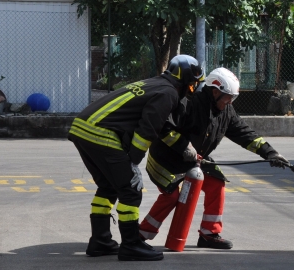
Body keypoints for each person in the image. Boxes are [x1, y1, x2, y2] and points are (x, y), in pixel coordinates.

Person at [68, 55, 204, 261]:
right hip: (102, 133)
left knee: (109, 186)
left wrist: (185, 147)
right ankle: (131, 245)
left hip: (83, 128)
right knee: (131, 189)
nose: (192, 89)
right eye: (192, 85)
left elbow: (161, 126)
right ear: (184, 80)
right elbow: (147, 130)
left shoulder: (156, 84)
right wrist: (133, 162)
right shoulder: (168, 93)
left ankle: (100, 241)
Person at [139, 67, 291, 249]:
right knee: (171, 196)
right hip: (165, 158)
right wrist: (184, 147)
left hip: (196, 159)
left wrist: (269, 152)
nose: (230, 102)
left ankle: (209, 234)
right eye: (228, 97)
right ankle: (141, 235)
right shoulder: (189, 103)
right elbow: (164, 127)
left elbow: (244, 133)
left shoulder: (226, 111)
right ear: (215, 92)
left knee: (217, 184)